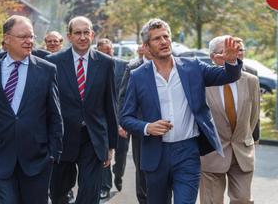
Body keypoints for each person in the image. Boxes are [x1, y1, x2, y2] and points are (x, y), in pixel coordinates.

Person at [121, 18, 242, 203]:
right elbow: (126, 117)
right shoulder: (138, 76)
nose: (163, 41)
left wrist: (232, 61)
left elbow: (227, 76)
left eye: (166, 36)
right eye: (156, 39)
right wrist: (147, 127)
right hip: (155, 154)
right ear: (146, 46)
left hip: (187, 153)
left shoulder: (193, 67)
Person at [0, 15, 63, 204]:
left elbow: (55, 115)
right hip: (0, 158)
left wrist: (53, 154)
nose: (29, 41)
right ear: (7, 38)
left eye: (31, 37)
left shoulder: (47, 70)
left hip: (37, 159)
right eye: (23, 36)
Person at [46, 16, 118, 204]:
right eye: (78, 33)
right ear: (69, 36)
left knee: (90, 193)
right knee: (57, 193)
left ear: (92, 35)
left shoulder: (106, 63)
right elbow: (47, 104)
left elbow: (110, 104)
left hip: (93, 138)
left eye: (86, 32)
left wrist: (111, 144)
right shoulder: (53, 63)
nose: (83, 37)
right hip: (63, 138)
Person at [199, 36, 260, 204]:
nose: (235, 55)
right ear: (213, 57)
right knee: (211, 201)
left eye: (238, 50)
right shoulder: (202, 81)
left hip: (241, 152)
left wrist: (246, 138)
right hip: (212, 153)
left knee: (243, 199)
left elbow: (253, 115)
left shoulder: (251, 80)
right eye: (228, 51)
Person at [118, 44, 152, 204]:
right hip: (139, 127)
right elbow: (123, 96)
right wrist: (122, 122)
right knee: (142, 167)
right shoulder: (132, 68)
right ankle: (144, 200)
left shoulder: (168, 65)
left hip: (164, 126)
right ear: (145, 46)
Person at [96, 38, 128, 199]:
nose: (107, 54)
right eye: (103, 52)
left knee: (121, 154)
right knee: (104, 152)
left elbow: (126, 96)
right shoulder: (94, 67)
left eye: (109, 51)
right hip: (102, 119)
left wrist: (122, 121)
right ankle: (105, 186)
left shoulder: (124, 66)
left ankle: (119, 174)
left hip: (121, 118)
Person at [234, 37, 260, 142]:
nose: (238, 53)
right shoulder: (218, 71)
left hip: (246, 132)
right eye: (235, 50)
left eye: (241, 50)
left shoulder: (252, 72)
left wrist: (255, 136)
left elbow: (255, 105)